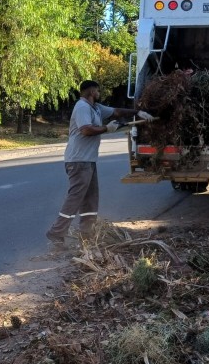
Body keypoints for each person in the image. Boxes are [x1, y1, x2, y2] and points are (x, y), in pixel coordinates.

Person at [46, 80, 154, 250]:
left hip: (88, 160)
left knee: (90, 199)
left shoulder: (95, 108)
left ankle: (86, 235)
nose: (99, 93)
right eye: (97, 90)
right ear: (90, 91)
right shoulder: (82, 107)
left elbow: (117, 111)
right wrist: (106, 129)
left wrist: (138, 112)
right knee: (75, 198)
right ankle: (56, 233)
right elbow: (86, 130)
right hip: (78, 160)